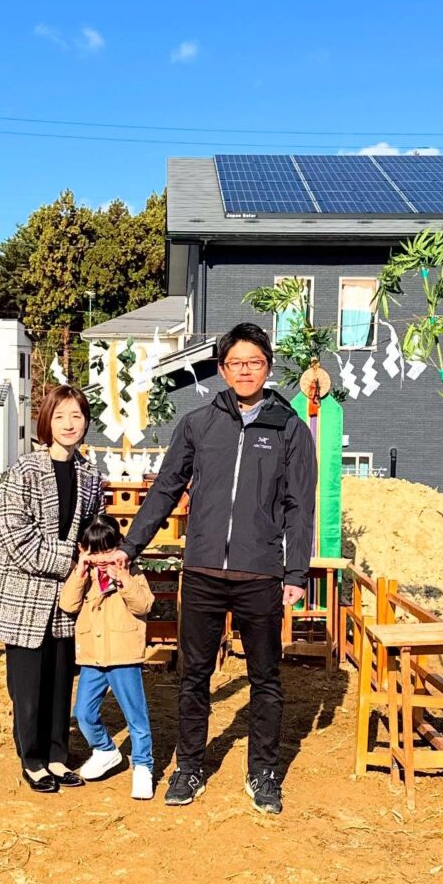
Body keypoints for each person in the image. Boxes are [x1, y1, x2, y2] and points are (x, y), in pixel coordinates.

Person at [116, 322, 317, 814]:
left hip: (261, 575)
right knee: (194, 676)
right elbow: (166, 488)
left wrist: (294, 574)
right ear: (222, 369)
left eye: (254, 362)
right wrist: (129, 547)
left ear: (267, 367)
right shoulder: (199, 424)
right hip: (203, 570)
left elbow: (299, 505)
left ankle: (264, 772)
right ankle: (190, 766)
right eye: (235, 362)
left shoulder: (289, 427)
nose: (244, 370)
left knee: (265, 679)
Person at [0, 385, 103, 794]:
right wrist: (70, 561)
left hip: (67, 594)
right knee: (28, 683)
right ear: (46, 422)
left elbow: (94, 529)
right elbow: (15, 536)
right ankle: (31, 759)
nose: (69, 424)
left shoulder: (90, 474)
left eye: (77, 416)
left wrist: (95, 555)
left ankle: (57, 754)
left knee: (60, 677)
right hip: (26, 592)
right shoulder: (24, 470)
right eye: (61, 416)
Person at [59, 514, 156, 800]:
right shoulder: (84, 575)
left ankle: (143, 767)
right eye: (94, 552)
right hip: (92, 655)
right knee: (84, 714)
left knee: (136, 716)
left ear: (120, 546)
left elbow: (144, 605)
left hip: (124, 655)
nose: (101, 558)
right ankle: (105, 750)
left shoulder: (132, 572)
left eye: (107, 551)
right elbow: (68, 604)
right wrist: (79, 572)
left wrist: (124, 578)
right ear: (82, 550)